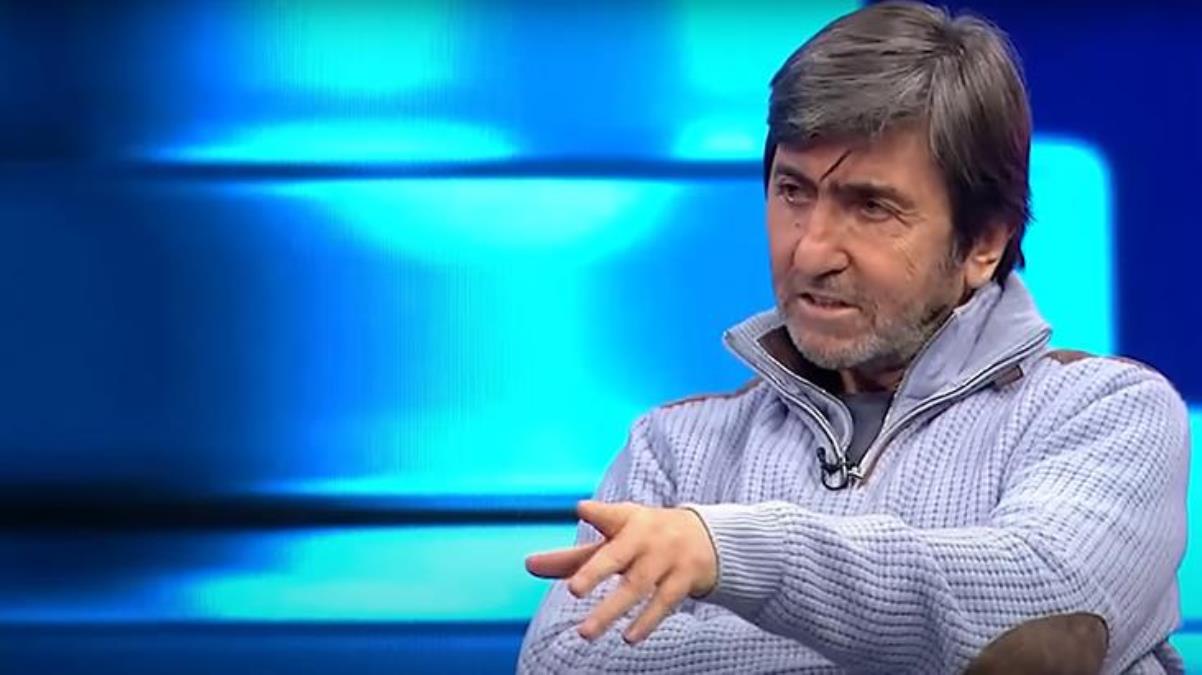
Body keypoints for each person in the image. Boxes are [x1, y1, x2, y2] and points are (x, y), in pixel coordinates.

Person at [517, 2, 1190, 673]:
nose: (811, 251)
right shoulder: (674, 450)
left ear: (983, 241)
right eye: (793, 191)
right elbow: (563, 662)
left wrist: (733, 553)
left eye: (871, 206)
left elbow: (1040, 622)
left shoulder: (1105, 412)